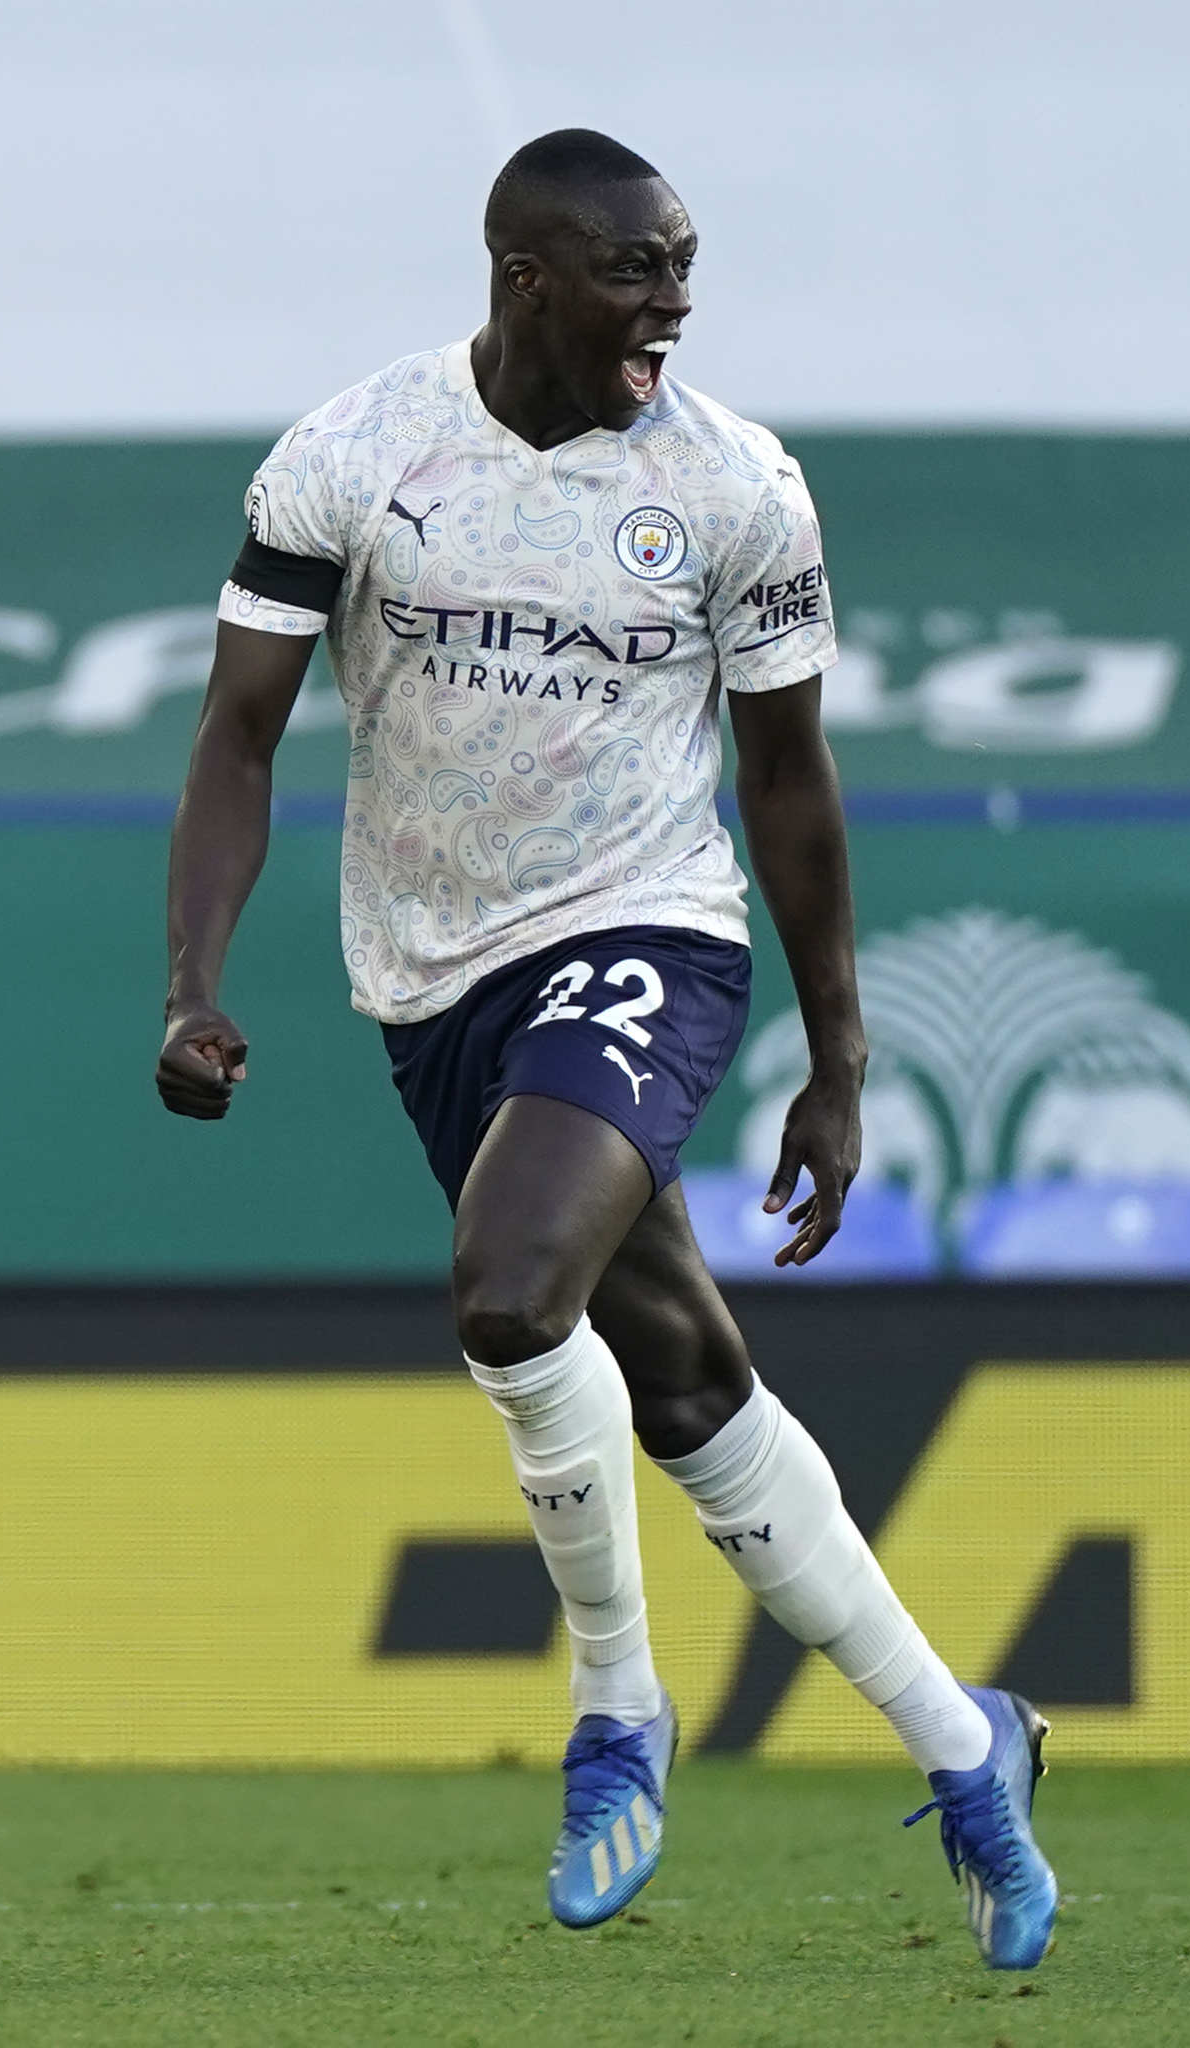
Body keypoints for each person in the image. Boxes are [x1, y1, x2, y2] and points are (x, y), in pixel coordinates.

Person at [157, 127, 1055, 1969]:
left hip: (647, 929)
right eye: (640, 269)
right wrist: (194, 978)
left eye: (686, 263)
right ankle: (973, 1746)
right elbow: (239, 737)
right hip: (425, 978)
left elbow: (791, 784)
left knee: (506, 1294)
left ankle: (617, 1710)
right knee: (690, 1392)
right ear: (528, 281)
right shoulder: (352, 456)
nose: (675, 300)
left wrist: (839, 1054)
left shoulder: (738, 488)